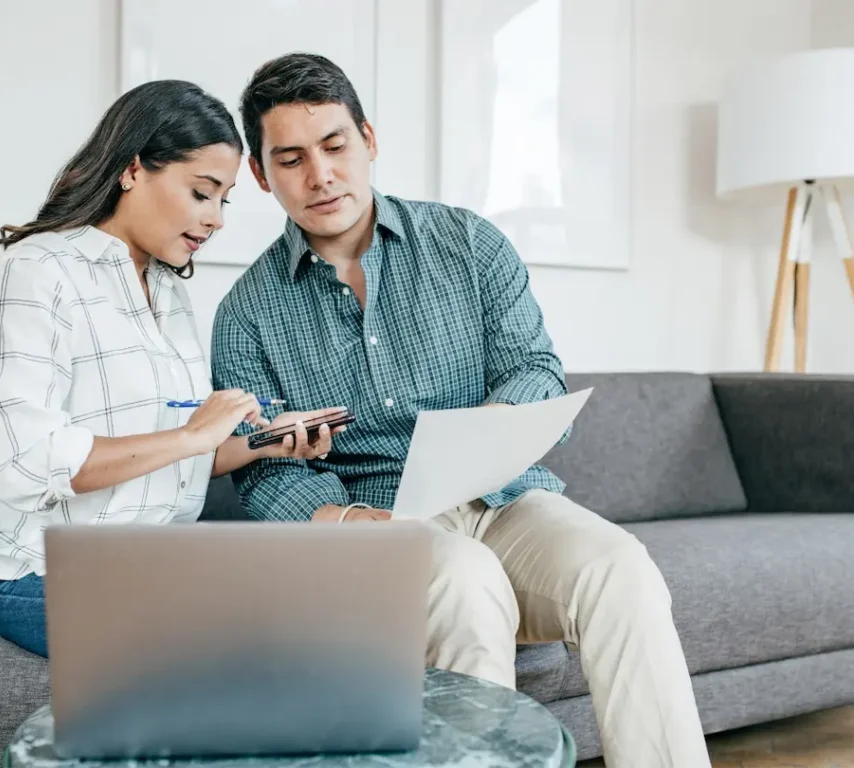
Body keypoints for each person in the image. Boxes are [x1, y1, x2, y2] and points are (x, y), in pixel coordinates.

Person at [210, 54, 711, 766]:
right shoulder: (245, 315)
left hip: (506, 498)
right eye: (290, 159)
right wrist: (351, 521)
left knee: (620, 569)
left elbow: (534, 368)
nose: (320, 175)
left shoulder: (469, 244)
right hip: (376, 525)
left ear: (369, 140)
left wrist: (494, 429)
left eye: (334, 146)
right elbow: (263, 478)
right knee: (465, 581)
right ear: (262, 175)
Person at [0, 79, 345, 659]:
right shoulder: (37, 270)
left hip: (155, 564)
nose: (216, 219)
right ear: (133, 170)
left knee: (332, 606)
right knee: (261, 646)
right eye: (201, 192)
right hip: (43, 574)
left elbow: (176, 458)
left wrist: (265, 443)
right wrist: (191, 434)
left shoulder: (167, 291)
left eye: (224, 199)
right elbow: (22, 461)